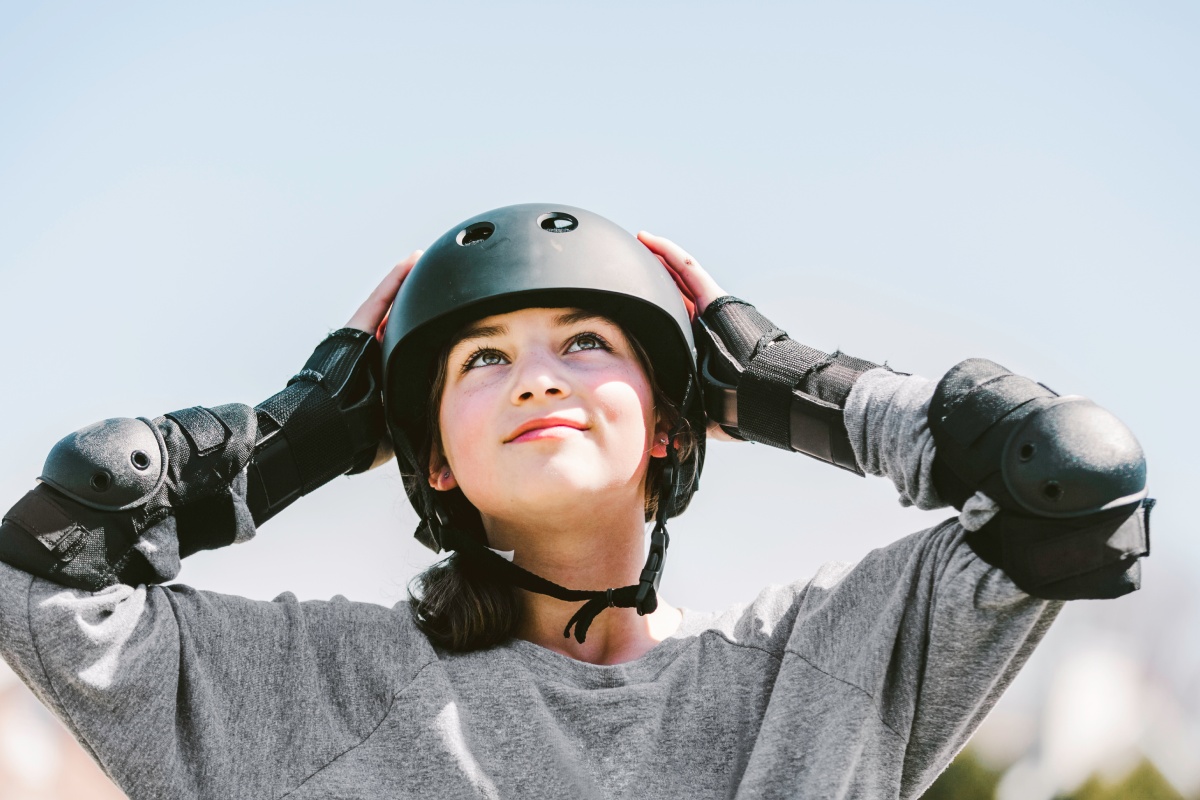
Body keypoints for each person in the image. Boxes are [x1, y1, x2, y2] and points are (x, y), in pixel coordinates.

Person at [0, 204, 1152, 799]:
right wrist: (287, 441)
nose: (538, 376)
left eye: (587, 341)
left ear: (673, 421)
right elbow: (47, 565)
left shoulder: (815, 668)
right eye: (482, 358)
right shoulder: (312, 686)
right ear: (433, 459)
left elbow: (1071, 480)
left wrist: (796, 389)